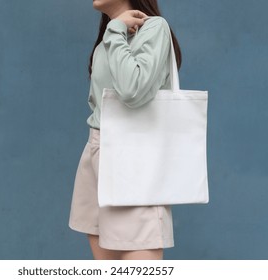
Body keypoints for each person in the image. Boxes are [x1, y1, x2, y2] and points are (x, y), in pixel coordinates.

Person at [68, 0, 182, 260]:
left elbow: (133, 90)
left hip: (134, 164)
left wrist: (115, 31)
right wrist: (115, 30)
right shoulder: (111, 35)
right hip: (97, 155)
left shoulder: (154, 28)